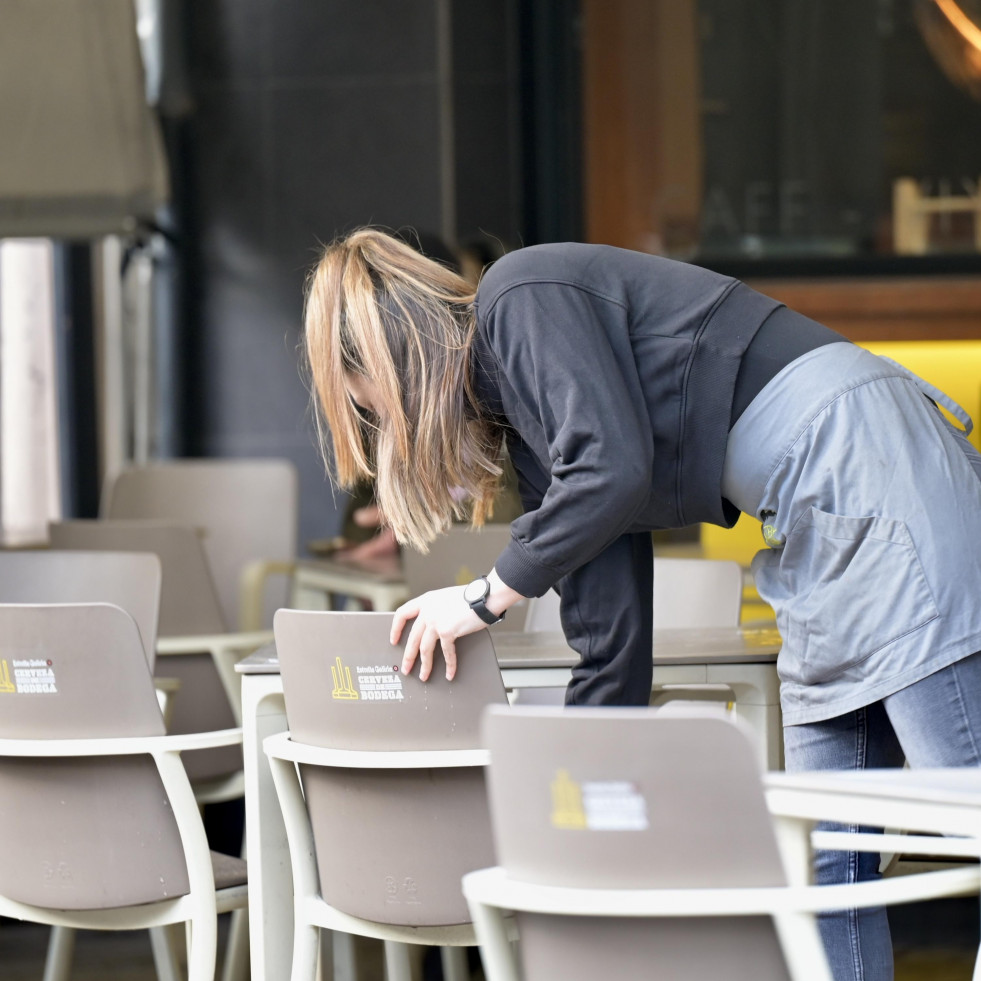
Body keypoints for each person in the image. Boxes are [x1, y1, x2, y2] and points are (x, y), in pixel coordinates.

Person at [303, 227, 981, 981]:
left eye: (373, 409)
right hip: (815, 525)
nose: (385, 429)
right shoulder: (535, 424)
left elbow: (612, 470)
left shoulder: (518, 296)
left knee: (967, 806)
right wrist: (574, 815)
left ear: (398, 359)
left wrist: (485, 597)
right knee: (825, 863)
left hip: (873, 473)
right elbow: (610, 641)